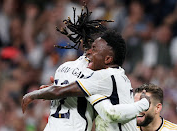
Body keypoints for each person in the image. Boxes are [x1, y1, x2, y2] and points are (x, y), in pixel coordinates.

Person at [22, 4, 150, 131]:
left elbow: (62, 91)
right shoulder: (100, 74)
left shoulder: (64, 67)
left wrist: (51, 90)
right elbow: (107, 111)